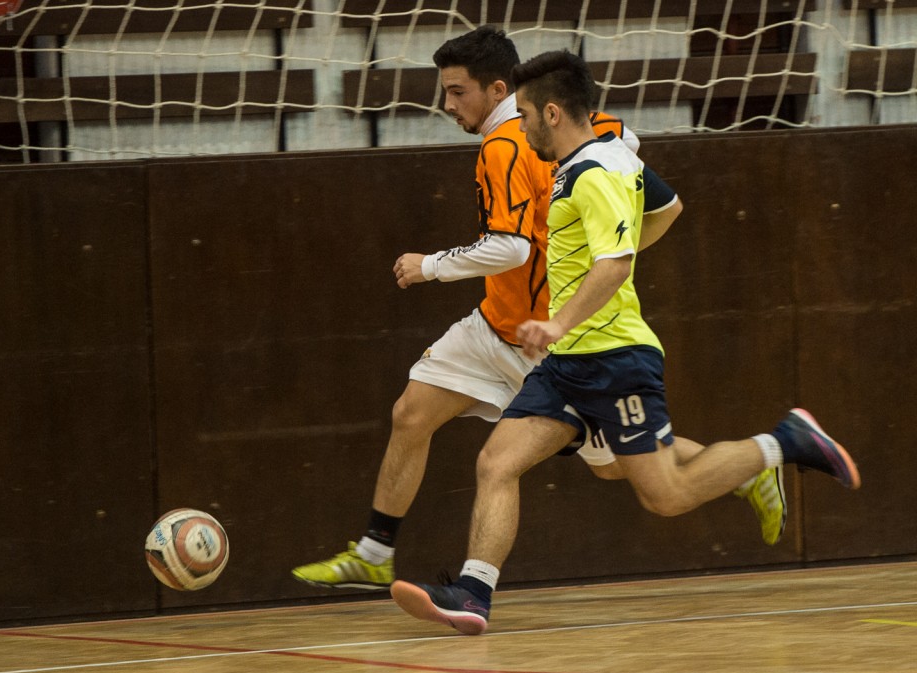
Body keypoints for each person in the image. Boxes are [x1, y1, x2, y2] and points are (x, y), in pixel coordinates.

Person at [388, 49, 861, 636]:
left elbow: (614, 264)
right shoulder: (601, 158)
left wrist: (561, 319)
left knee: (666, 496)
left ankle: (784, 442)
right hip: (566, 364)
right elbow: (667, 209)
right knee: (497, 462)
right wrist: (598, 273)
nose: (521, 127)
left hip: (614, 360)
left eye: (526, 115)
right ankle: (474, 593)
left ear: (552, 114)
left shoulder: (594, 173)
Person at [291, 28, 782, 593]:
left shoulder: (505, 146)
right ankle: (376, 554)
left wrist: (431, 266)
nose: (447, 104)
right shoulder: (591, 129)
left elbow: (513, 247)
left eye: (457, 91)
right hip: (495, 323)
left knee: (617, 464)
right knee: (413, 413)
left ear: (499, 90)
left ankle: (747, 465)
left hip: (543, 340)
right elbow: (650, 174)